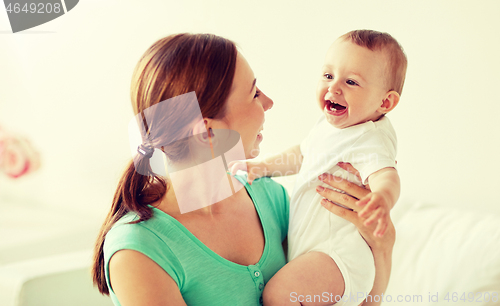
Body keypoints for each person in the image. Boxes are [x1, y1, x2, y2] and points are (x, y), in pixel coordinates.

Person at [91, 33, 395, 306]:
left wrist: (381, 249)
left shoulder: (269, 197)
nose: (269, 102)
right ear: (206, 132)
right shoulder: (139, 251)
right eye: (254, 94)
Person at [232, 30, 407, 305]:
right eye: (328, 76)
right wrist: (264, 166)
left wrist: (382, 199)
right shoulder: (328, 128)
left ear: (385, 102)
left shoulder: (370, 137)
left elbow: (386, 174)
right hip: (317, 253)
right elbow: (302, 154)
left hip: (339, 257)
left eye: (351, 82)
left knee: (279, 294)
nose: (334, 88)